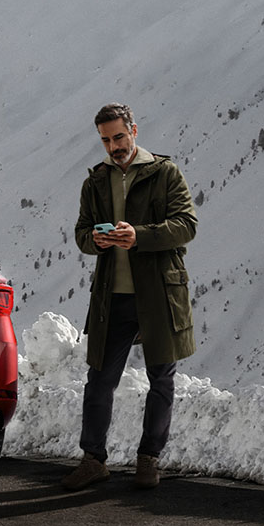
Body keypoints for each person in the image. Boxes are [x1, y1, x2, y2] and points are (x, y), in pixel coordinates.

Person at [62, 103, 197, 490]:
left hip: (159, 295)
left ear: (134, 130)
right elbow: (82, 233)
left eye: (119, 137)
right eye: (106, 140)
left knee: (161, 381)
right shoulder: (96, 181)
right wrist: (97, 240)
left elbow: (186, 226)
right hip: (113, 297)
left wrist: (140, 236)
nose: (113, 146)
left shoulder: (164, 172)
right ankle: (93, 460)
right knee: (99, 381)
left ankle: (148, 460)